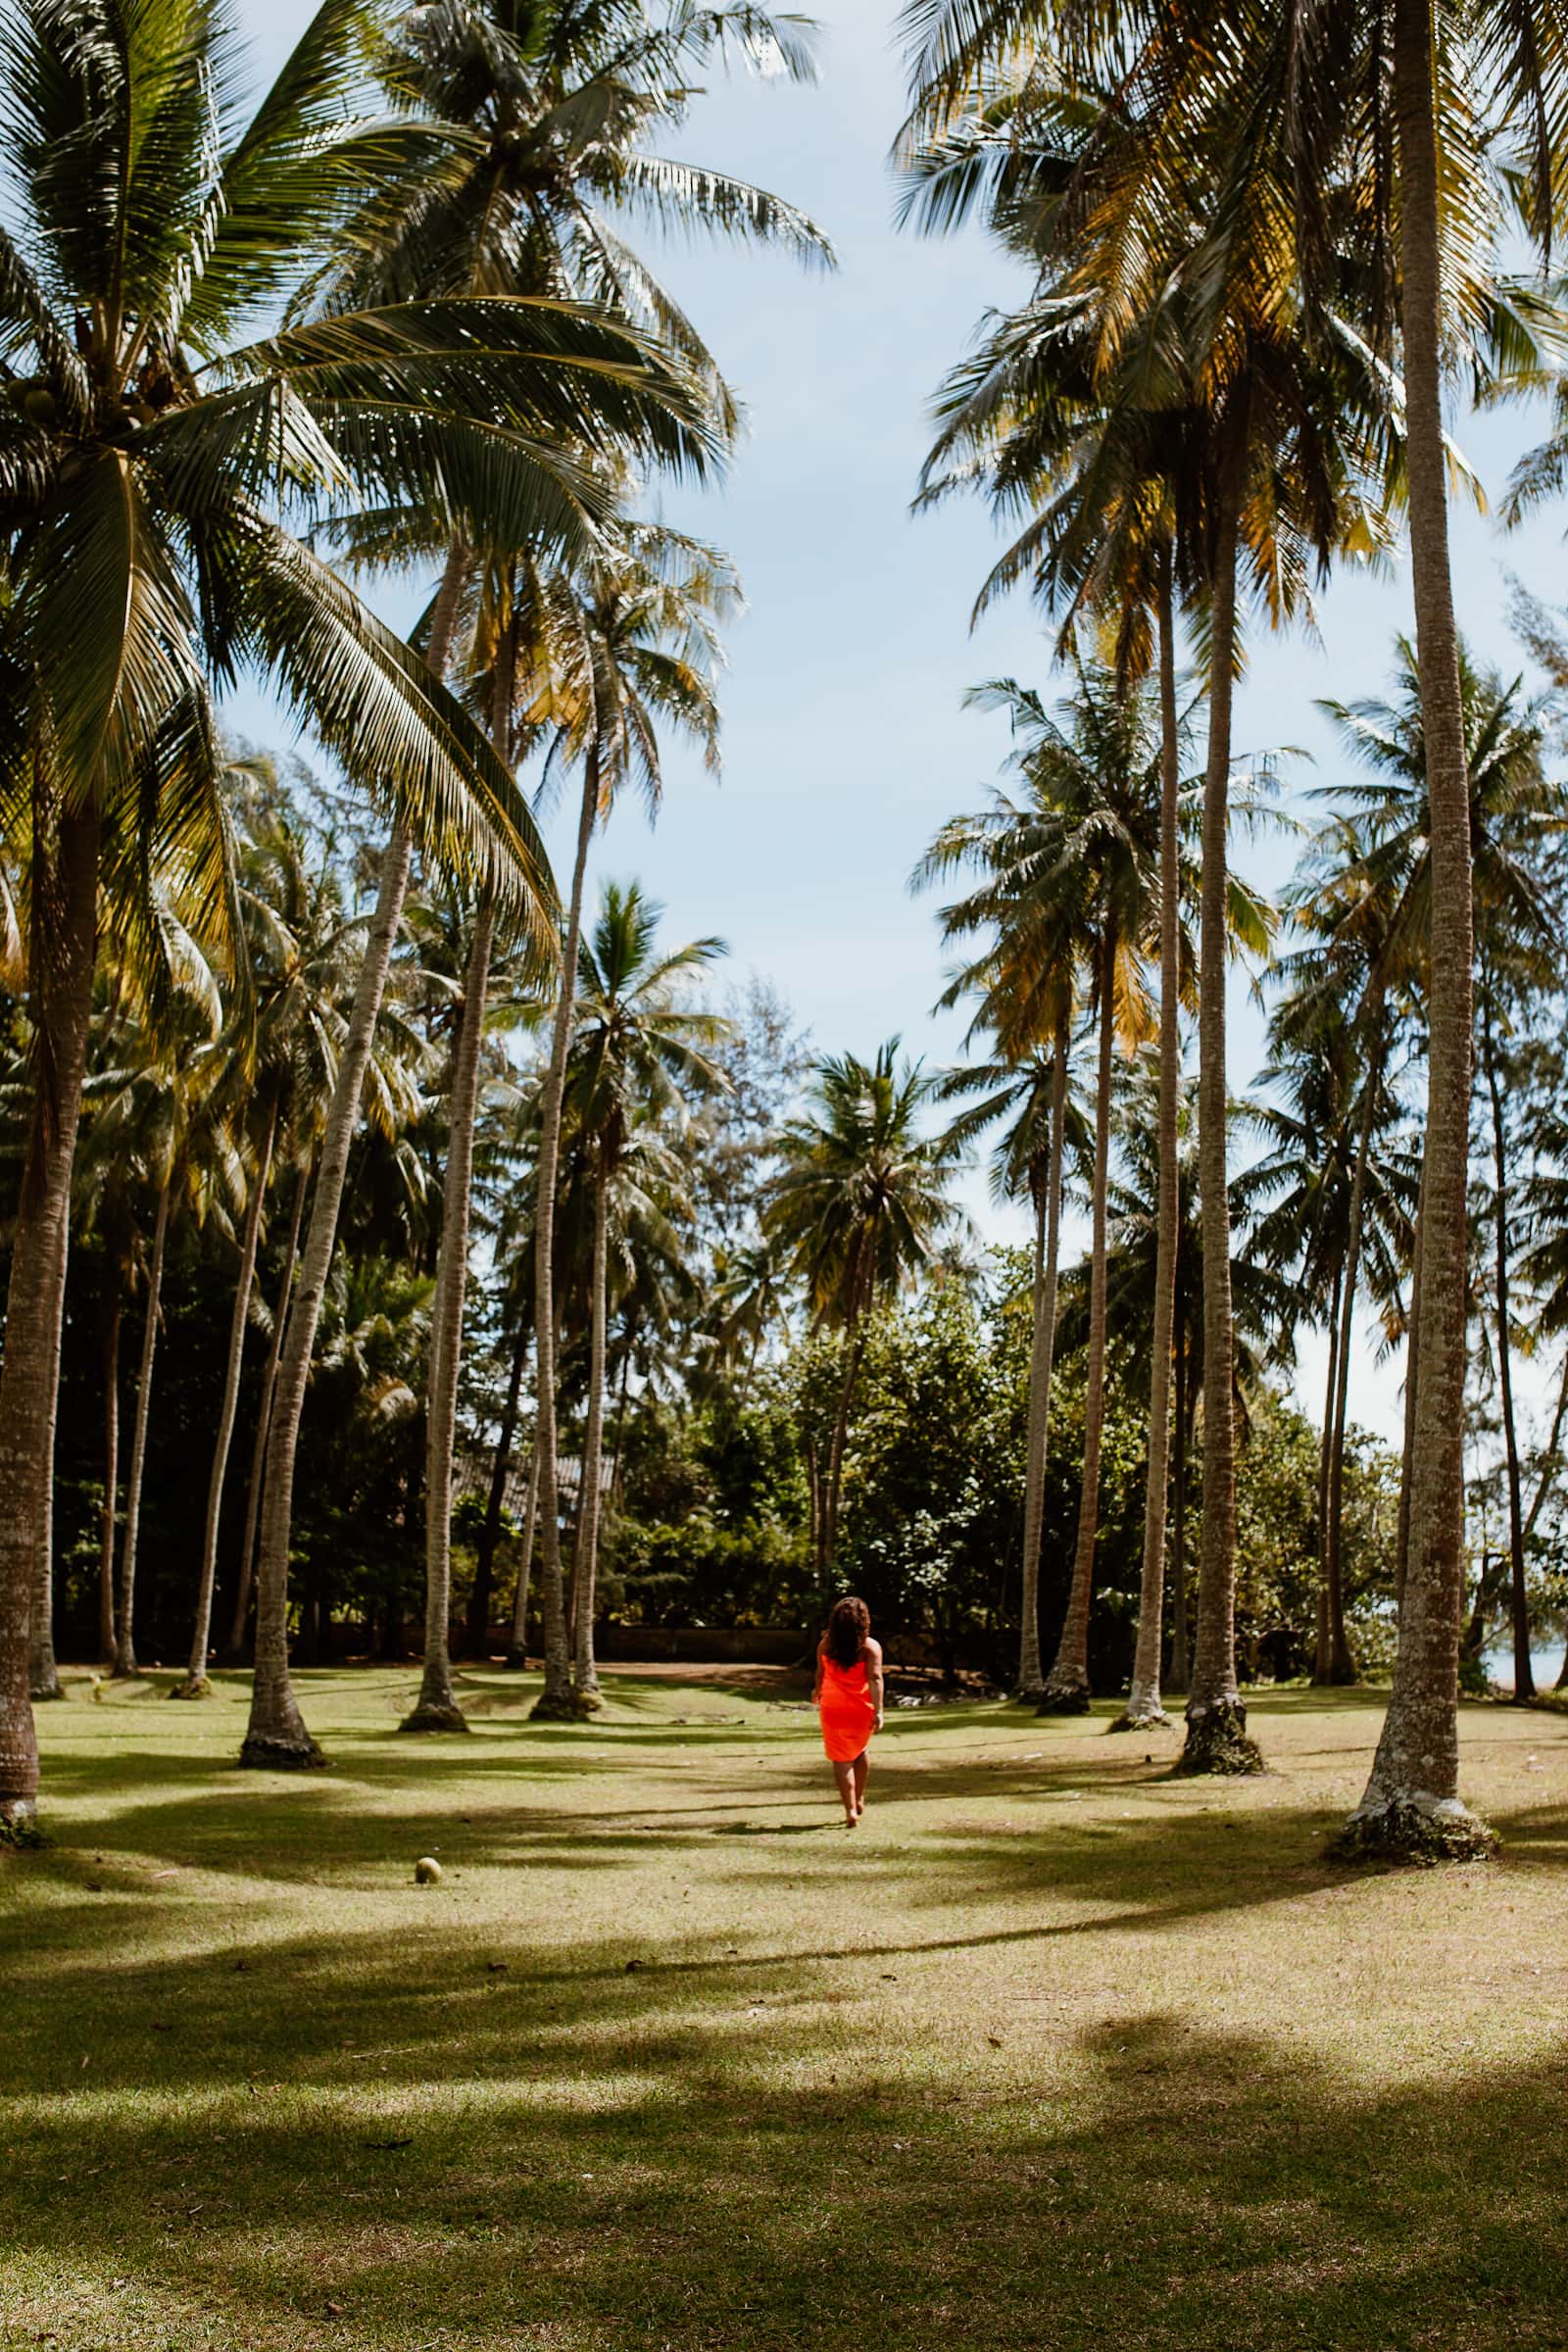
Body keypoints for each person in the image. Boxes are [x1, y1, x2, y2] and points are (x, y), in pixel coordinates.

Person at [813, 1595, 884, 1826]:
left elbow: (820, 1673)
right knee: (860, 1751)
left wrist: (816, 1691)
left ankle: (850, 1809)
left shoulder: (826, 1644)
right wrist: (879, 1711)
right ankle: (859, 1797)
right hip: (860, 1708)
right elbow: (875, 1678)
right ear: (864, 1621)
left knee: (841, 1760)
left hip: (832, 1707)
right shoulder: (870, 1647)